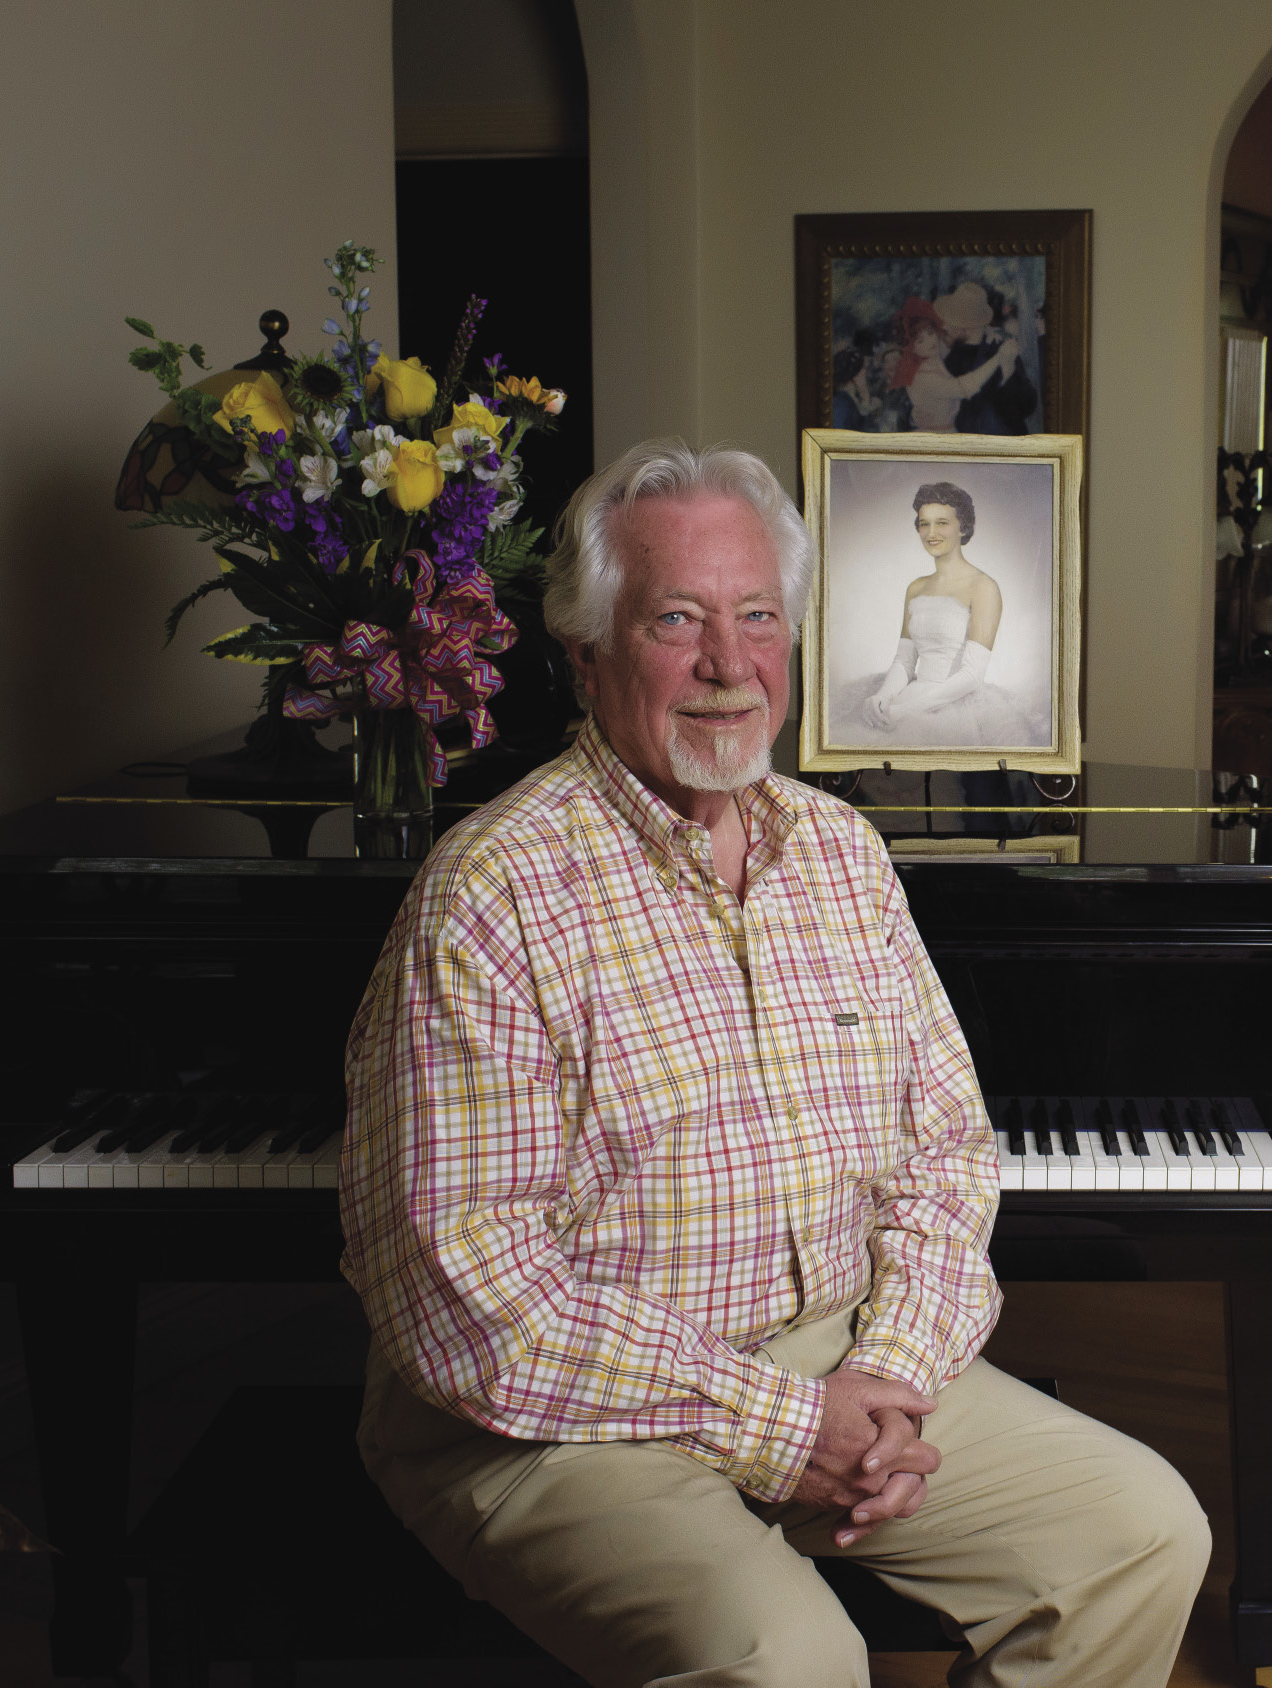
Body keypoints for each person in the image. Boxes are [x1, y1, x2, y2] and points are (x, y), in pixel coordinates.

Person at [341, 439, 1208, 1688]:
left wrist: (888, 1380)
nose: (725, 664)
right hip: (553, 1418)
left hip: (836, 1356)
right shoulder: (491, 891)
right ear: (583, 654)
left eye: (756, 616)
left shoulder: (839, 851)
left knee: (1140, 1532)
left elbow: (944, 1156)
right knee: (785, 1659)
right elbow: (469, 1291)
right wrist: (789, 1429)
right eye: (674, 620)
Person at [850, 480, 1044, 747]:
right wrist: (882, 698)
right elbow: (905, 661)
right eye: (923, 523)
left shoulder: (983, 587)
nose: (931, 532)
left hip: (956, 703)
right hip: (910, 695)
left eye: (942, 522)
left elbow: (973, 674)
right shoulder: (915, 587)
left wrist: (906, 712)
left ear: (962, 526)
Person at [888, 297, 1019, 432]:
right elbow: (962, 388)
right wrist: (998, 358)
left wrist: (984, 330)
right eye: (920, 340)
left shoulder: (933, 358)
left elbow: (957, 335)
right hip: (933, 435)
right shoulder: (921, 376)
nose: (930, 341)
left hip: (948, 430)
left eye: (930, 333)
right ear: (912, 348)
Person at [936, 281, 1039, 436]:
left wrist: (1008, 372)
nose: (945, 324)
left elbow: (1027, 406)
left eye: (952, 318)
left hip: (1003, 444)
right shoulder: (951, 358)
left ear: (966, 323)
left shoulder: (1001, 349)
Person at [829, 344, 880, 431]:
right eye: (864, 368)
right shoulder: (843, 403)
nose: (866, 373)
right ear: (854, 373)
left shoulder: (849, 399)